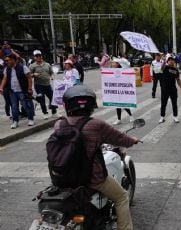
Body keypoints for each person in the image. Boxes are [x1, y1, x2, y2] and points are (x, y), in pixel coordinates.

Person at [57, 85, 138, 230]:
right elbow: (120, 139)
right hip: (92, 178)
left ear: (67, 105)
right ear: (91, 105)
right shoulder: (96, 124)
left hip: (63, 177)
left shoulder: (59, 124)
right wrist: (132, 140)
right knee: (121, 197)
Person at [0, 53, 35, 129]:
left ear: (13, 60)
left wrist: (29, 88)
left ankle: (30, 119)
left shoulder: (23, 67)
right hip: (12, 91)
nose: (7, 62)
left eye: (8, 60)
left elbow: (29, 78)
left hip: (22, 90)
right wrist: (1, 88)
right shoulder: (7, 69)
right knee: (14, 107)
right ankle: (15, 121)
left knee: (26, 105)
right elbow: (5, 79)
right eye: (6, 60)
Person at [29, 50, 59, 119]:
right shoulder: (32, 66)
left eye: (39, 56)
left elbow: (51, 72)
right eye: (36, 56)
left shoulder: (47, 64)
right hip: (38, 85)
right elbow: (28, 75)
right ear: (34, 58)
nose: (38, 57)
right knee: (41, 100)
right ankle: (45, 113)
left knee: (52, 98)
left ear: (41, 56)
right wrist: (34, 74)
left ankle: (54, 112)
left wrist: (52, 76)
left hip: (47, 85)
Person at [158, 57, 181, 123]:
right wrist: (163, 61)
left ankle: (175, 116)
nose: (171, 61)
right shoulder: (165, 68)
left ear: (174, 62)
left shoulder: (176, 70)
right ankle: (162, 117)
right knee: (163, 103)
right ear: (167, 61)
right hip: (165, 89)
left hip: (173, 89)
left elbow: (178, 79)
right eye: (169, 60)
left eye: (172, 60)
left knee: (174, 103)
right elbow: (161, 68)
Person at [110, 58, 134, 125]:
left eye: (114, 63)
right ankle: (119, 119)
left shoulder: (123, 70)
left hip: (122, 90)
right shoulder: (113, 70)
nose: (113, 64)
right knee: (117, 104)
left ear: (118, 64)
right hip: (116, 90)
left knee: (123, 104)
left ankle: (131, 116)